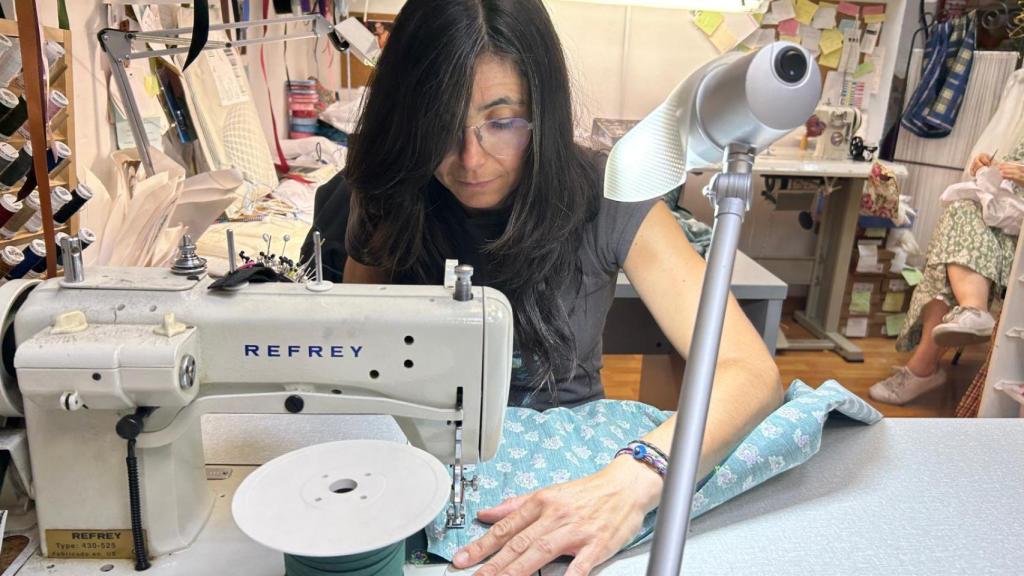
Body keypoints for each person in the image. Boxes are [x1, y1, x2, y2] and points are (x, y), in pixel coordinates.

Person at [304, 1, 781, 574]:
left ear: (545, 110)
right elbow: (354, 369)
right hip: (413, 473)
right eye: (438, 123)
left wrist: (632, 481)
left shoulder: (610, 196)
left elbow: (749, 371)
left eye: (503, 121)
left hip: (579, 486)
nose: (470, 158)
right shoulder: (383, 197)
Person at [870, 142, 1024, 405]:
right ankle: (971, 311)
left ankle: (924, 368)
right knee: (960, 211)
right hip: (1008, 222)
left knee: (952, 255)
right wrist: (988, 168)